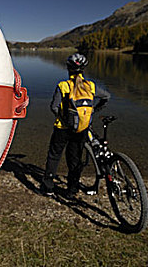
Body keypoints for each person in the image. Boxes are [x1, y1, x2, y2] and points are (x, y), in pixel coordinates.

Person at [41, 53, 110, 199]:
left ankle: (48, 188)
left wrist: (65, 120)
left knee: (54, 156)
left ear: (68, 68)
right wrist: (93, 111)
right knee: (75, 160)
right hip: (82, 129)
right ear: (84, 69)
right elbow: (106, 97)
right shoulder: (90, 86)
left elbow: (54, 107)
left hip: (62, 128)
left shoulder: (64, 86)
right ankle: (71, 190)